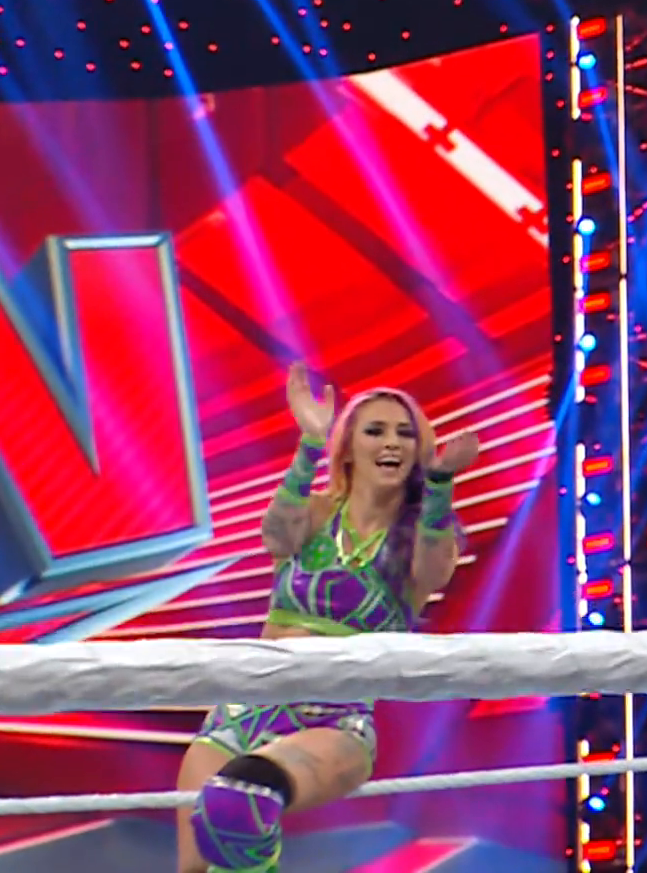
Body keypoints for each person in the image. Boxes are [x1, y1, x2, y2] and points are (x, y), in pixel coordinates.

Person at [176, 364, 478, 873]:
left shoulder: (418, 539)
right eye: (375, 430)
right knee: (198, 865)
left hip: (334, 720)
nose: (392, 442)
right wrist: (310, 443)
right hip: (244, 708)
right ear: (349, 448)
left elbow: (435, 569)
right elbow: (274, 537)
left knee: (241, 796)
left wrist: (442, 484)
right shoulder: (315, 514)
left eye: (405, 433)